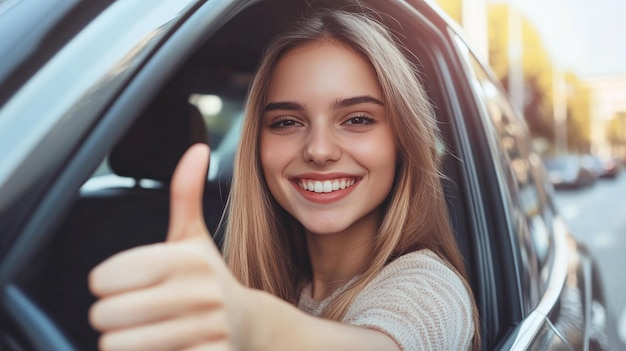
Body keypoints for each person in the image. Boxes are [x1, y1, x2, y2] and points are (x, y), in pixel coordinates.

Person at [88, 9, 480, 351]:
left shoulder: (431, 289)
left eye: (358, 119)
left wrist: (256, 328)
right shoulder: (276, 282)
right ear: (257, 148)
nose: (319, 150)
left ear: (402, 142)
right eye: (287, 122)